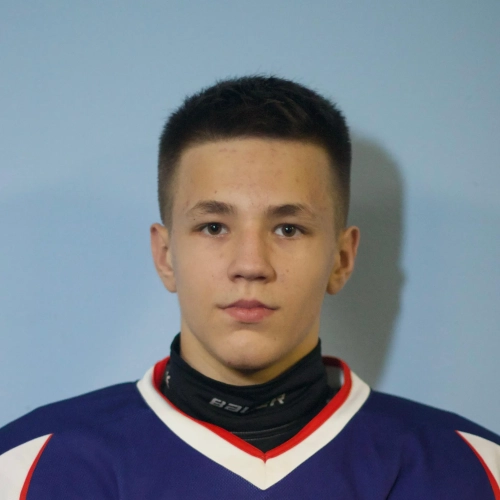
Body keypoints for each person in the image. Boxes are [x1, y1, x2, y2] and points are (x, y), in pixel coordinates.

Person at [0, 76, 499, 499]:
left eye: (288, 229)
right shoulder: (25, 468)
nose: (250, 265)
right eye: (214, 227)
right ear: (165, 255)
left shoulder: (475, 470)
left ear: (342, 258)